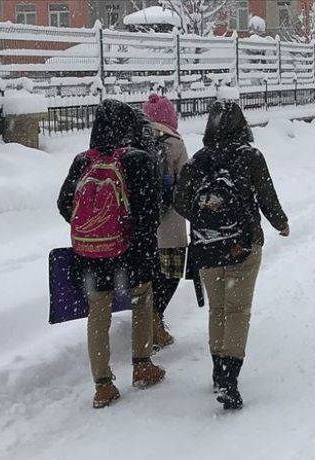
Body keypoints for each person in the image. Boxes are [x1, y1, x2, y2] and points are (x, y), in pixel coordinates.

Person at [175, 100, 289, 410]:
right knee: (238, 311)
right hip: (242, 244)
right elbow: (266, 196)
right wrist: (280, 223)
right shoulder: (250, 156)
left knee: (218, 309)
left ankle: (218, 371)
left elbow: (180, 200)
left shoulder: (199, 160)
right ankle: (229, 378)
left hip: (206, 246)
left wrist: (205, 217)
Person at [57, 99, 165, 409]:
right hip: (133, 251)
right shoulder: (137, 159)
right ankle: (142, 365)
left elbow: (64, 203)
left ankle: (102, 385)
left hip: (91, 253)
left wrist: (94, 227)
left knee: (98, 313)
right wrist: (132, 234)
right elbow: (150, 210)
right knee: (141, 301)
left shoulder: (83, 161)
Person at [142, 93, 189, 350]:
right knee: (170, 274)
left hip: (142, 224)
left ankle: (146, 321)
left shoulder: (135, 141)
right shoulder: (175, 143)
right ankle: (155, 318)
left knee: (147, 276)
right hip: (170, 224)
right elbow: (187, 183)